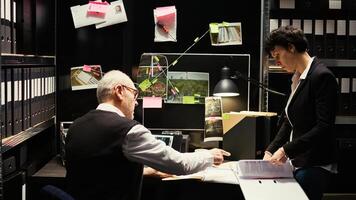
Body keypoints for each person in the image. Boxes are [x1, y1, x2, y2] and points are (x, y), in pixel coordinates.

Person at [65, 69, 230, 200]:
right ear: (119, 91)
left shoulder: (75, 126)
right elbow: (180, 165)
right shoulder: (128, 130)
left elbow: (99, 170)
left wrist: (144, 171)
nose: (136, 101)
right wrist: (210, 155)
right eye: (134, 94)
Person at [263, 25, 338, 200]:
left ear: (291, 47)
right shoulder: (297, 77)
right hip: (299, 162)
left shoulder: (322, 76)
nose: (278, 63)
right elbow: (290, 121)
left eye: (278, 56)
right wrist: (271, 150)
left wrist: (285, 150)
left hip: (314, 164)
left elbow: (324, 127)